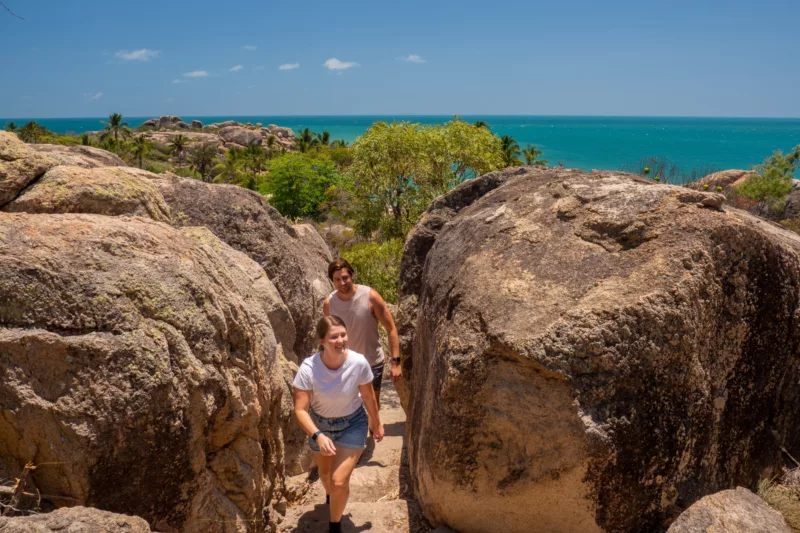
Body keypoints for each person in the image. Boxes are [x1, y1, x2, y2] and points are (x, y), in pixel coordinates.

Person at [293, 316, 384, 533]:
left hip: (353, 423)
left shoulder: (358, 362)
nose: (341, 340)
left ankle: (335, 526)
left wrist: (377, 424)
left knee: (339, 481)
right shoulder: (309, 368)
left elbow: (369, 396)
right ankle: (331, 495)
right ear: (322, 341)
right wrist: (318, 435)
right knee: (326, 477)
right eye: (334, 336)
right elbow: (300, 410)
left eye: (343, 335)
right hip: (320, 426)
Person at [323, 258, 401, 409]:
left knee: (372, 407)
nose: (342, 283)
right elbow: (328, 337)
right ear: (332, 281)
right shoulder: (329, 304)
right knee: (347, 410)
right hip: (344, 366)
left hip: (371, 363)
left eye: (345, 278)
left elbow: (391, 329)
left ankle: (373, 432)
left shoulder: (370, 297)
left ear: (352, 275)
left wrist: (396, 363)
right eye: (337, 280)